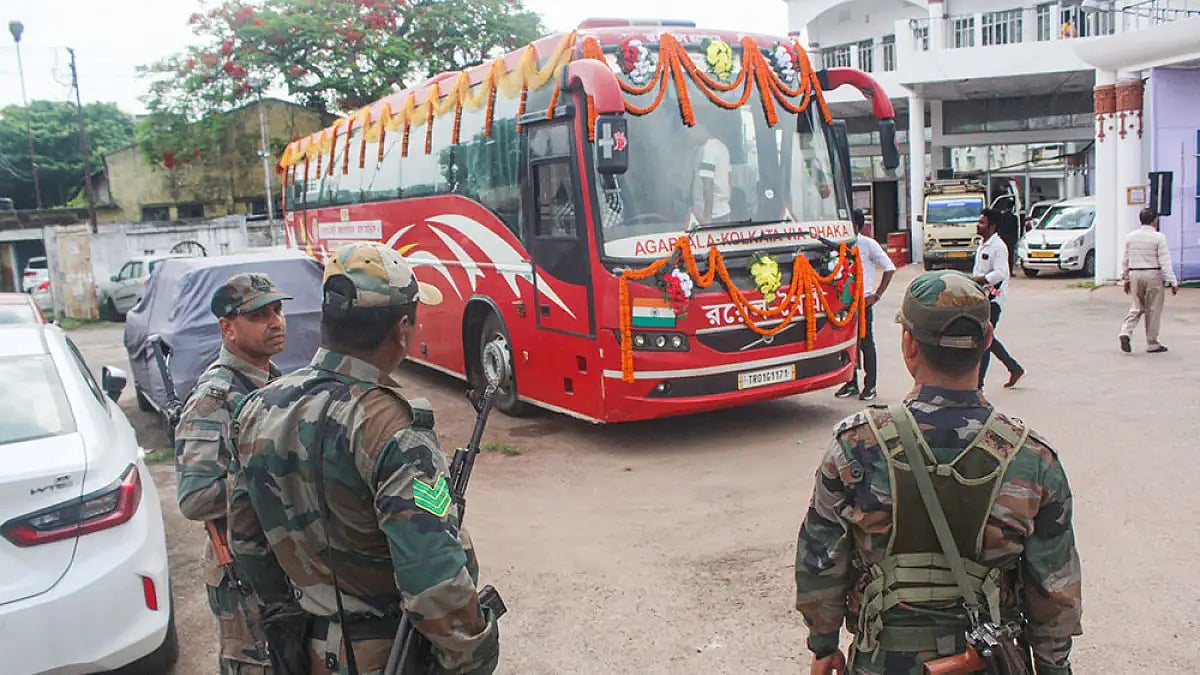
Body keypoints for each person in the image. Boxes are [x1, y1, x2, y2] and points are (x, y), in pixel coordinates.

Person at [227, 242, 499, 675]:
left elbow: (244, 540)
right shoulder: (393, 428)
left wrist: (293, 619)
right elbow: (433, 578)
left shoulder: (256, 409)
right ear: (402, 330)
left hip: (305, 649)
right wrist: (474, 656)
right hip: (385, 656)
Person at [795, 269, 1083, 675]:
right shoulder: (1032, 458)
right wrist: (1054, 667)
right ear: (987, 341)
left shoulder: (856, 444)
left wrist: (823, 645)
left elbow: (820, 559)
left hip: (883, 661)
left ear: (908, 344)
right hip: (987, 662)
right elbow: (1055, 589)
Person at [175, 273, 292, 675]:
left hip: (277, 563)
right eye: (259, 315)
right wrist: (273, 474)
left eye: (278, 310)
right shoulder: (215, 399)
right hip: (241, 577)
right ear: (227, 327)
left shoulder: (274, 381)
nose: (276, 322)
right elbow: (195, 497)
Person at [835, 209, 895, 401]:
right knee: (846, 343)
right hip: (843, 303)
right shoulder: (838, 245)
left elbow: (889, 267)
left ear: (857, 227)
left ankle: (870, 386)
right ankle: (851, 382)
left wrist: (877, 295)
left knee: (866, 343)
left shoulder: (868, 244)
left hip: (862, 302)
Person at [972, 208, 1025, 389]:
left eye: (982, 223)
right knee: (985, 337)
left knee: (985, 340)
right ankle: (1014, 367)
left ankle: (979, 384)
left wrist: (981, 279)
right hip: (981, 296)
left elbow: (1001, 273)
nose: (978, 226)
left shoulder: (998, 246)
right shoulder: (983, 244)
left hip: (993, 298)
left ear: (992, 226)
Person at [1119, 207, 1178, 353]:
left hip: (1135, 274)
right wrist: (1172, 281)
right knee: (1153, 308)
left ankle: (1126, 331)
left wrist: (1125, 278)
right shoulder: (1158, 237)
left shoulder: (1130, 237)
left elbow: (1125, 259)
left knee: (1137, 306)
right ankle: (1152, 343)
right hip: (1153, 274)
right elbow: (1164, 261)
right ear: (1154, 221)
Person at [688, 115, 732, 222]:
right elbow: (729, 178)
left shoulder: (707, 150)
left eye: (692, 129)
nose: (689, 134)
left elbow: (708, 185)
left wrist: (707, 216)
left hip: (710, 215)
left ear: (702, 128)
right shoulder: (721, 147)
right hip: (723, 210)